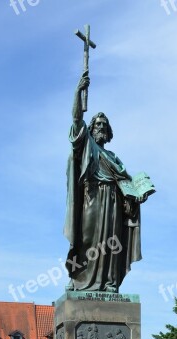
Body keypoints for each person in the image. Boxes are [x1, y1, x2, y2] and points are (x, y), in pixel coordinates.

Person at [64, 71, 149, 292]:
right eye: (98, 124)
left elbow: (126, 184)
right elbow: (76, 120)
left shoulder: (114, 158)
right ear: (91, 129)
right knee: (88, 241)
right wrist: (78, 92)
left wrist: (136, 196)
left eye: (104, 125)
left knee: (112, 243)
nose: (101, 127)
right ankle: (80, 279)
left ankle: (110, 282)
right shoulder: (87, 148)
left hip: (113, 202)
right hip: (93, 198)